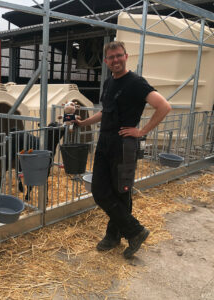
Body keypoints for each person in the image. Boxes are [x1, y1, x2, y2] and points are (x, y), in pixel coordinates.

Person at [73, 41, 171, 259]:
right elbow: (105, 113)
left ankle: (122, 234)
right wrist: (84, 123)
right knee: (100, 190)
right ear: (106, 61)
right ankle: (128, 232)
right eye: (111, 57)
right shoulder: (109, 83)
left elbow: (164, 106)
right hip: (105, 142)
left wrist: (141, 131)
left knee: (121, 191)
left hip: (124, 144)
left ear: (126, 57)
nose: (115, 60)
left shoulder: (136, 82)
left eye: (119, 56)